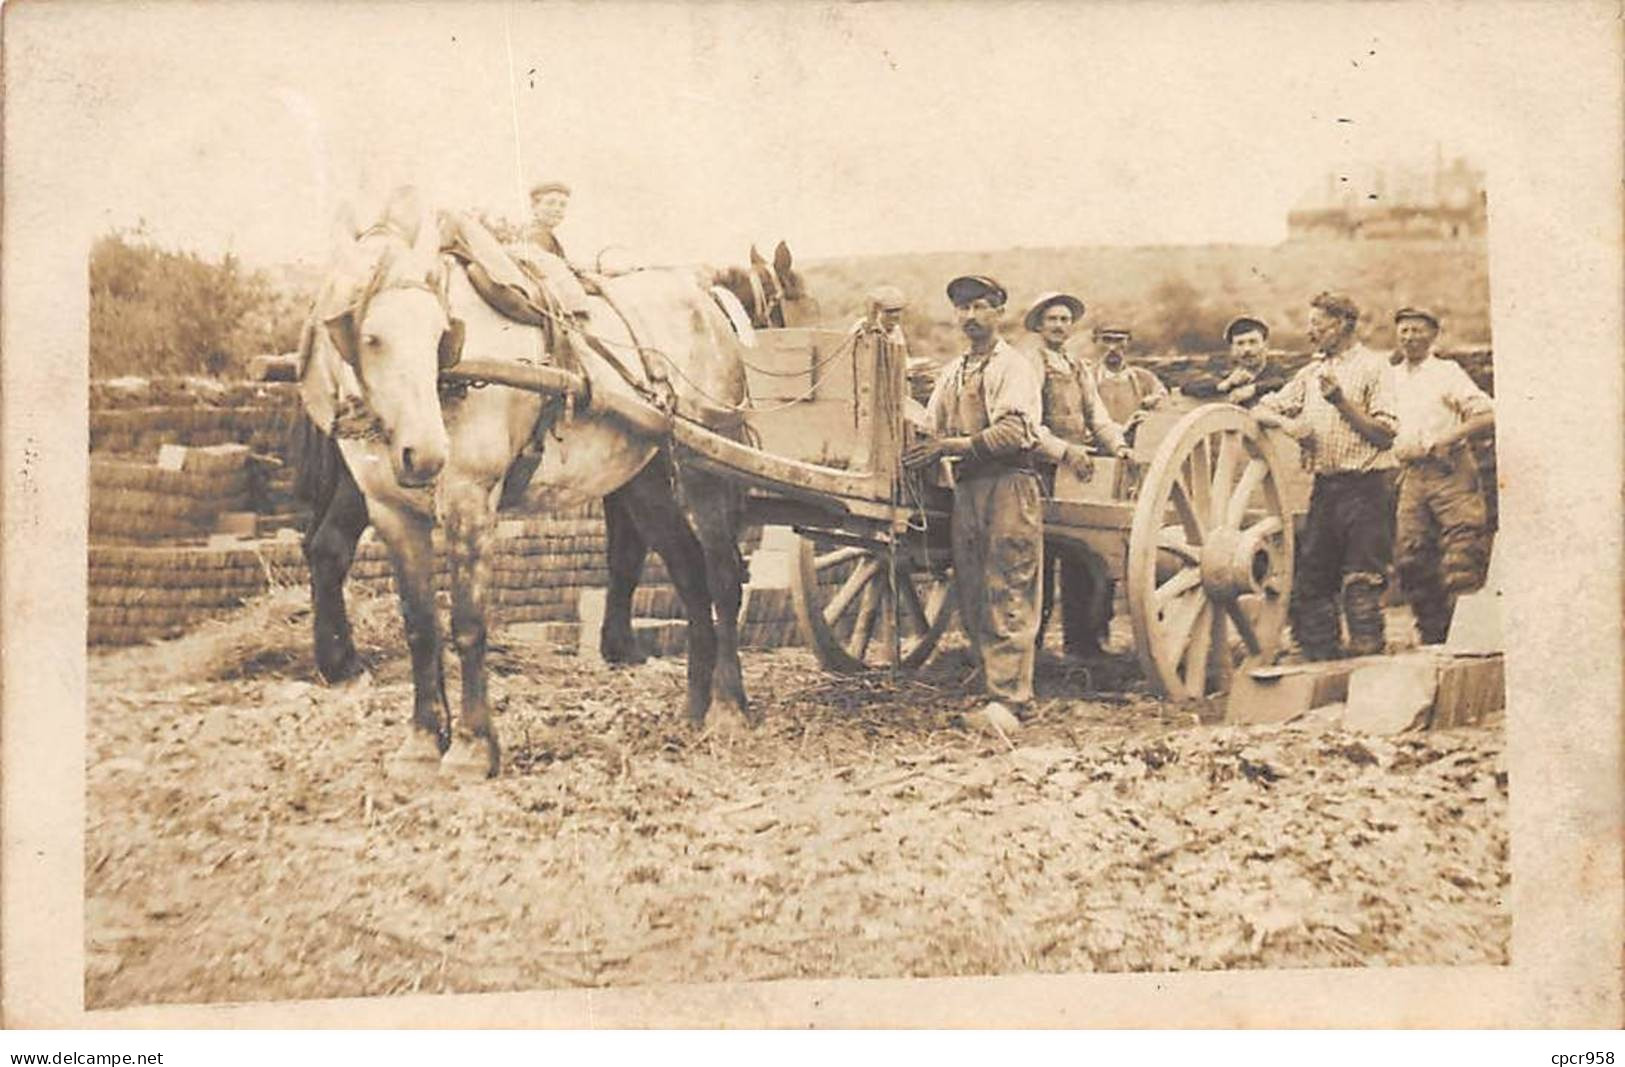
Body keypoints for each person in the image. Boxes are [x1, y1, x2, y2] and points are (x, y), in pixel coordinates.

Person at [902, 275, 1044, 732]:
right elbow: (929, 424)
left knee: (1009, 586)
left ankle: (1011, 702)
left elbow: (1014, 433)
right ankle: (994, 692)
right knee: (974, 591)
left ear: (999, 312)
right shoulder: (955, 371)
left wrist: (945, 446)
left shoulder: (1013, 367)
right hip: (967, 491)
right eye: (963, 308)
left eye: (981, 306)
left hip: (1009, 485)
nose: (970, 316)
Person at [1254, 292, 1398, 659]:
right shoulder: (1311, 372)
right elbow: (1263, 409)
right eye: (1310, 324)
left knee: (1361, 583)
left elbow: (1384, 435)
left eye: (1318, 325)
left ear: (1343, 325)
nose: (1310, 333)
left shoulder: (1375, 368)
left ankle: (1368, 671)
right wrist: (1290, 426)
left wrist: (1340, 402)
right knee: (1312, 584)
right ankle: (1321, 664)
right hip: (1327, 488)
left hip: (1368, 488)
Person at [1022, 291, 1131, 658]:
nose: (1058, 326)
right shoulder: (1031, 364)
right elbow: (1028, 423)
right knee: (1037, 559)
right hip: (1039, 467)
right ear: (1039, 325)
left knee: (1082, 552)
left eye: (1065, 320)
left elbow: (1097, 417)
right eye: (1051, 319)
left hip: (1078, 471)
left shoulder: (1078, 367)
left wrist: (1118, 446)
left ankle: (1082, 643)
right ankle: (1029, 645)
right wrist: (1063, 451)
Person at [1385, 306, 1495, 644]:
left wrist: (1444, 440)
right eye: (1404, 330)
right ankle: (1434, 636)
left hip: (1450, 471)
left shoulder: (1446, 372)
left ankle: (1470, 640)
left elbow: (1487, 415)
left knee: (1463, 555)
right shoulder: (1391, 377)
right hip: (1411, 476)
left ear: (1433, 335)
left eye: (1418, 330)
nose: (1410, 337)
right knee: (1411, 557)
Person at [514, 179, 591, 319]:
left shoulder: (544, 234)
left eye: (562, 205)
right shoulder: (536, 235)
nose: (557, 209)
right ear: (534, 207)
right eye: (550, 203)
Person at [1180, 315, 1288, 406]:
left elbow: (1282, 381)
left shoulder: (1276, 369)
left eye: (1253, 342)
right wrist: (1225, 383)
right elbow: (1187, 386)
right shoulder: (1224, 369)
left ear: (1265, 345)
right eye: (1240, 343)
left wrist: (1254, 388)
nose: (1247, 349)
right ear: (1232, 348)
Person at [1090, 326, 1168, 426]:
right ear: (1096, 342)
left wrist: (1151, 406)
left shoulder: (1143, 378)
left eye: (1119, 341)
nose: (1112, 348)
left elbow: (1163, 399)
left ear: (1128, 343)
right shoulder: (1087, 377)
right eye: (1106, 340)